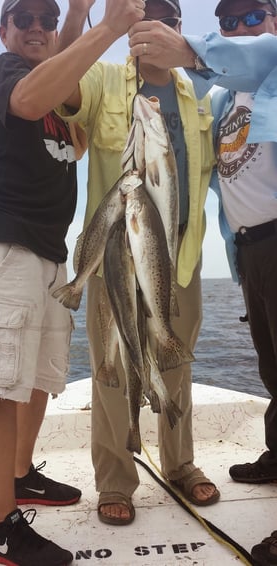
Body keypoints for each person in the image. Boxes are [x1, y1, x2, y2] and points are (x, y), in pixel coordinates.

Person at [0, 0, 145, 564]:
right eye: (26, 20)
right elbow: (31, 96)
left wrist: (80, 11)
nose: (38, 28)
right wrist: (109, 25)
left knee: (38, 377)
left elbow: (61, 75)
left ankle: (20, 475)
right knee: (0, 386)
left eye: (47, 17)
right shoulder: (3, 72)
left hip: (49, 252)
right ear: (4, 31)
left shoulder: (56, 81)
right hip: (3, 243)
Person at [56, 0, 220, 527]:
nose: (151, 26)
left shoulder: (202, 98)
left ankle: (181, 464)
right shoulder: (102, 79)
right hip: (111, 260)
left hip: (180, 260)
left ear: (179, 29)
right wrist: (84, 14)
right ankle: (115, 481)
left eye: (165, 19)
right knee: (111, 369)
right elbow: (59, 88)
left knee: (176, 361)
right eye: (139, 16)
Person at [129, 1, 277, 563]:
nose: (240, 27)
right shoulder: (216, 101)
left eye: (252, 15)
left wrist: (187, 50)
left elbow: (250, 55)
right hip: (251, 251)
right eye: (228, 20)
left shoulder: (270, 60)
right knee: (271, 367)